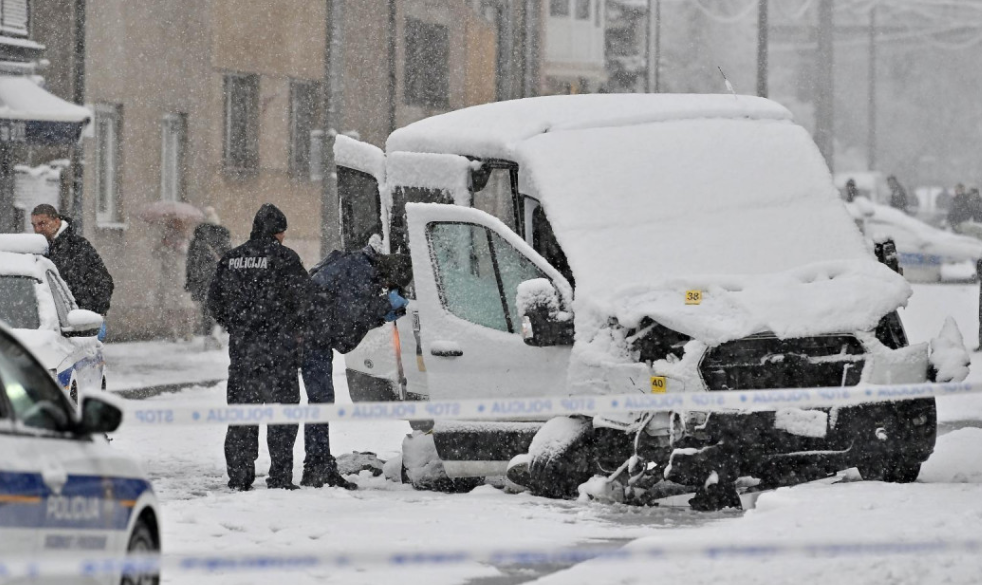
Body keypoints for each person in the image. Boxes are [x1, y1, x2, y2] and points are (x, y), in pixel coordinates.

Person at [207, 203, 311, 492]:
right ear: (277, 232)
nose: (284, 238)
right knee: (282, 415)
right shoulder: (285, 259)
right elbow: (305, 301)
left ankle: (240, 476)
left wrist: (237, 325)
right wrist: (291, 327)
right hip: (280, 353)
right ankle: (279, 476)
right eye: (282, 233)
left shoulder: (231, 259)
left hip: (244, 353)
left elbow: (214, 302)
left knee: (242, 415)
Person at [300, 239, 411, 489]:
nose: (385, 288)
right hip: (310, 335)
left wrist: (381, 313)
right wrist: (384, 308)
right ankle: (316, 469)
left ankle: (317, 466)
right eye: (389, 285)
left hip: (313, 333)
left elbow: (349, 322)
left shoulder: (358, 266)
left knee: (321, 401)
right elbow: (351, 318)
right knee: (320, 401)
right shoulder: (362, 271)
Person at [30, 204, 114, 338]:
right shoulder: (37, 250)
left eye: (42, 223)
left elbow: (103, 282)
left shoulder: (78, 247)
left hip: (78, 327)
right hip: (48, 327)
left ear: (56, 222)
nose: (37, 229)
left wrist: (91, 314)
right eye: (34, 225)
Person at [185, 207, 232, 348]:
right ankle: (216, 332)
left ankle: (207, 338)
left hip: (201, 278)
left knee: (206, 309)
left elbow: (190, 262)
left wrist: (190, 281)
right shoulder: (222, 236)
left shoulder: (197, 240)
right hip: (220, 278)